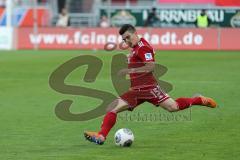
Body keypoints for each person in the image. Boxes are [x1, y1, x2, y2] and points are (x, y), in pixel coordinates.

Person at [84, 24, 217, 145]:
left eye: (128, 37)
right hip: (136, 90)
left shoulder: (143, 47)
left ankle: (199, 100)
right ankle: (101, 136)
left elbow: (151, 67)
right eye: (124, 39)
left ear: (135, 33)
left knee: (173, 107)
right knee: (112, 108)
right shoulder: (137, 47)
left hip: (149, 88)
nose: (127, 41)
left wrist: (129, 70)